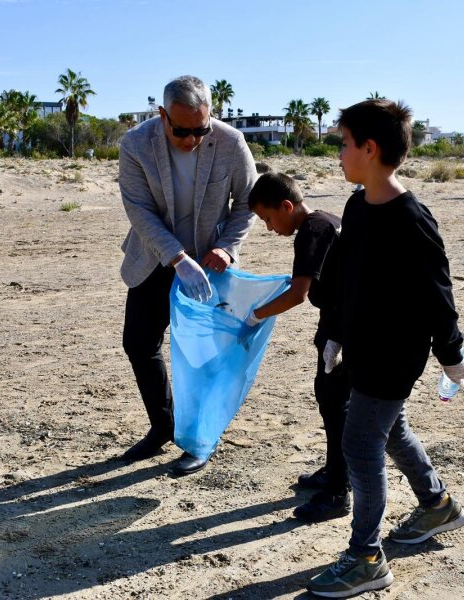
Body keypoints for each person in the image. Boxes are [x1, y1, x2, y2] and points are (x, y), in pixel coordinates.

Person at [306, 99, 464, 598]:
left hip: (395, 353)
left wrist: (451, 352)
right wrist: (334, 329)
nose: (339, 153)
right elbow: (341, 275)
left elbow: (436, 290)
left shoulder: (410, 217)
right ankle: (436, 504)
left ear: (370, 148)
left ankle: (366, 558)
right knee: (390, 426)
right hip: (361, 344)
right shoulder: (358, 207)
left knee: (360, 443)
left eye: (344, 143)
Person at [117, 75, 257, 476]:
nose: (194, 139)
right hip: (153, 259)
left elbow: (246, 201)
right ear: (162, 116)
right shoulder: (135, 144)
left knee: (202, 356)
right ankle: (163, 426)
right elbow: (139, 209)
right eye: (183, 131)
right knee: (140, 344)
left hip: (210, 266)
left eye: (202, 129)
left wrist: (226, 248)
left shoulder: (230, 142)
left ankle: (199, 438)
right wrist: (176, 257)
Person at [245, 172, 349, 523]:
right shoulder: (328, 220)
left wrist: (255, 316)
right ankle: (335, 470)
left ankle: (338, 490)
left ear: (287, 206)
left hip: (342, 331)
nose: (270, 228)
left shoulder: (312, 231)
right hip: (342, 324)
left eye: (269, 219)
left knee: (335, 406)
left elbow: (298, 293)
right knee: (331, 402)